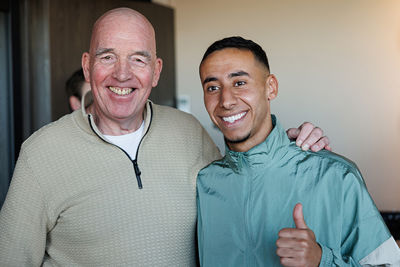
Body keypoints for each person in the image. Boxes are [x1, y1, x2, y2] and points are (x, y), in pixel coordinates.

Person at [0, 8, 330, 266]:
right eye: (107, 57)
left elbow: (247, 187)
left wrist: (289, 143)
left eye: (138, 59)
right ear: (87, 67)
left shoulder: (189, 133)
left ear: (156, 71)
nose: (122, 73)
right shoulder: (41, 153)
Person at [196, 36, 400, 266]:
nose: (226, 100)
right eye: (212, 87)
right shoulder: (202, 183)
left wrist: (321, 261)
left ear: (270, 87)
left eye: (240, 83)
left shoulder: (336, 176)